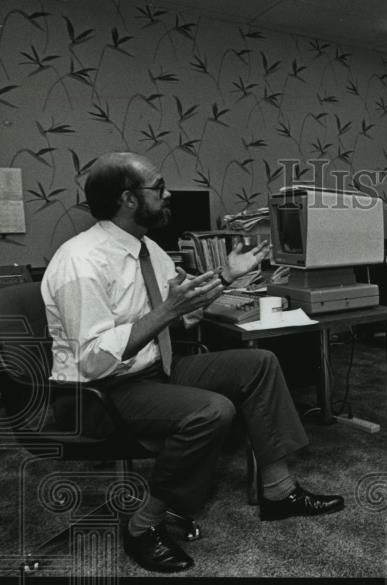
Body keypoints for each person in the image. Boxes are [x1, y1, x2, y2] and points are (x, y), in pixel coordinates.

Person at [41, 152, 344, 573]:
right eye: (159, 188)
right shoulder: (81, 261)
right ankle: (144, 526)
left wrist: (225, 277)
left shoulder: (147, 250)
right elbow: (93, 361)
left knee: (259, 363)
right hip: (95, 394)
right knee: (210, 411)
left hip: (150, 369)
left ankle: (279, 491)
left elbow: (177, 308)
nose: (168, 196)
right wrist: (169, 312)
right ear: (128, 199)